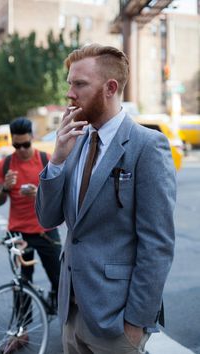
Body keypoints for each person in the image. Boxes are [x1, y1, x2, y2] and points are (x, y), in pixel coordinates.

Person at [35, 44, 176, 354]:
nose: (70, 93)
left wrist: (134, 325)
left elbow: (157, 244)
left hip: (116, 323)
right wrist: (57, 160)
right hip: (71, 315)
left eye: (80, 84)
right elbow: (47, 219)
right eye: (69, 83)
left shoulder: (146, 146)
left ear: (110, 88)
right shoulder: (75, 140)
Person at [0, 117, 61, 306]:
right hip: (18, 233)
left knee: (60, 279)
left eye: (25, 144)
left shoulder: (46, 160)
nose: (21, 149)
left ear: (32, 137)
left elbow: (59, 197)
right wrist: (5, 188)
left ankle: (63, 316)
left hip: (46, 231)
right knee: (22, 284)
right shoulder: (5, 165)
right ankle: (23, 331)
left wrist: (39, 193)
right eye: (16, 145)